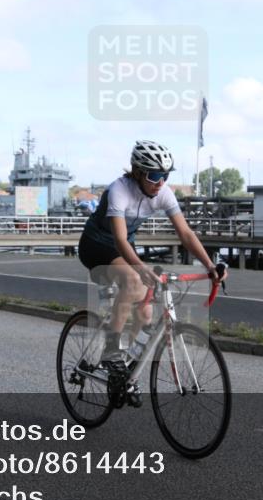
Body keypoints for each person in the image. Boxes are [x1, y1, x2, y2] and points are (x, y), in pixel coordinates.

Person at [78, 140, 226, 362]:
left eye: (165, 176)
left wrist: (210, 265)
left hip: (124, 247)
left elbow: (185, 233)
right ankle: (111, 350)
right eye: (154, 176)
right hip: (97, 245)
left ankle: (125, 369)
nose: (160, 182)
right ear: (137, 172)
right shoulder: (119, 190)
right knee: (133, 280)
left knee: (145, 312)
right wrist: (140, 268)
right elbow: (119, 238)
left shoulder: (163, 193)